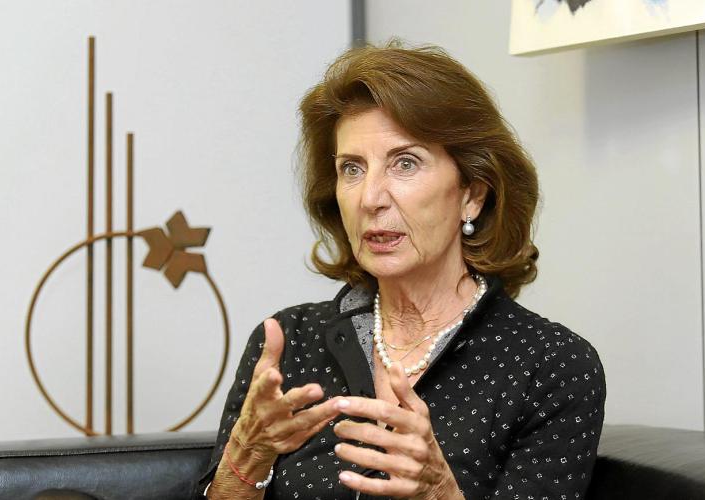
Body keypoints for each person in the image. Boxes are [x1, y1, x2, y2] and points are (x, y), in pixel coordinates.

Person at [196, 42, 605, 499]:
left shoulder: (551, 366)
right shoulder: (288, 343)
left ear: (472, 194)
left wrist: (438, 493)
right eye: (352, 169)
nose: (370, 198)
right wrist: (248, 455)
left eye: (405, 163)